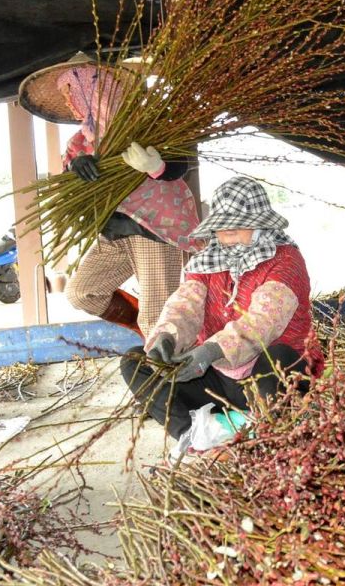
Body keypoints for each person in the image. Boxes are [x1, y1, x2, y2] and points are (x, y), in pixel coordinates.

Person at [120, 176, 322, 452]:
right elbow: (185, 305)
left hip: (265, 379)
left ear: (261, 224)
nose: (227, 232)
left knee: (279, 359)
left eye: (238, 224)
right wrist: (166, 337)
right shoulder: (207, 261)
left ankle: (265, 428)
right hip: (219, 378)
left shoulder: (285, 261)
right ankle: (192, 434)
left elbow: (263, 322)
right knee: (135, 361)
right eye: (222, 225)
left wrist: (213, 349)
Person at [17, 53, 201, 337]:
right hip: (113, 230)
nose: (70, 100)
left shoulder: (148, 125)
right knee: (82, 292)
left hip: (152, 227)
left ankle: (165, 368)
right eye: (67, 93)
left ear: (97, 89)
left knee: (157, 314)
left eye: (73, 90)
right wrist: (75, 169)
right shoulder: (80, 141)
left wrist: (156, 166)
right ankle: (158, 335)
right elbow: (71, 184)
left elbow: (180, 163)